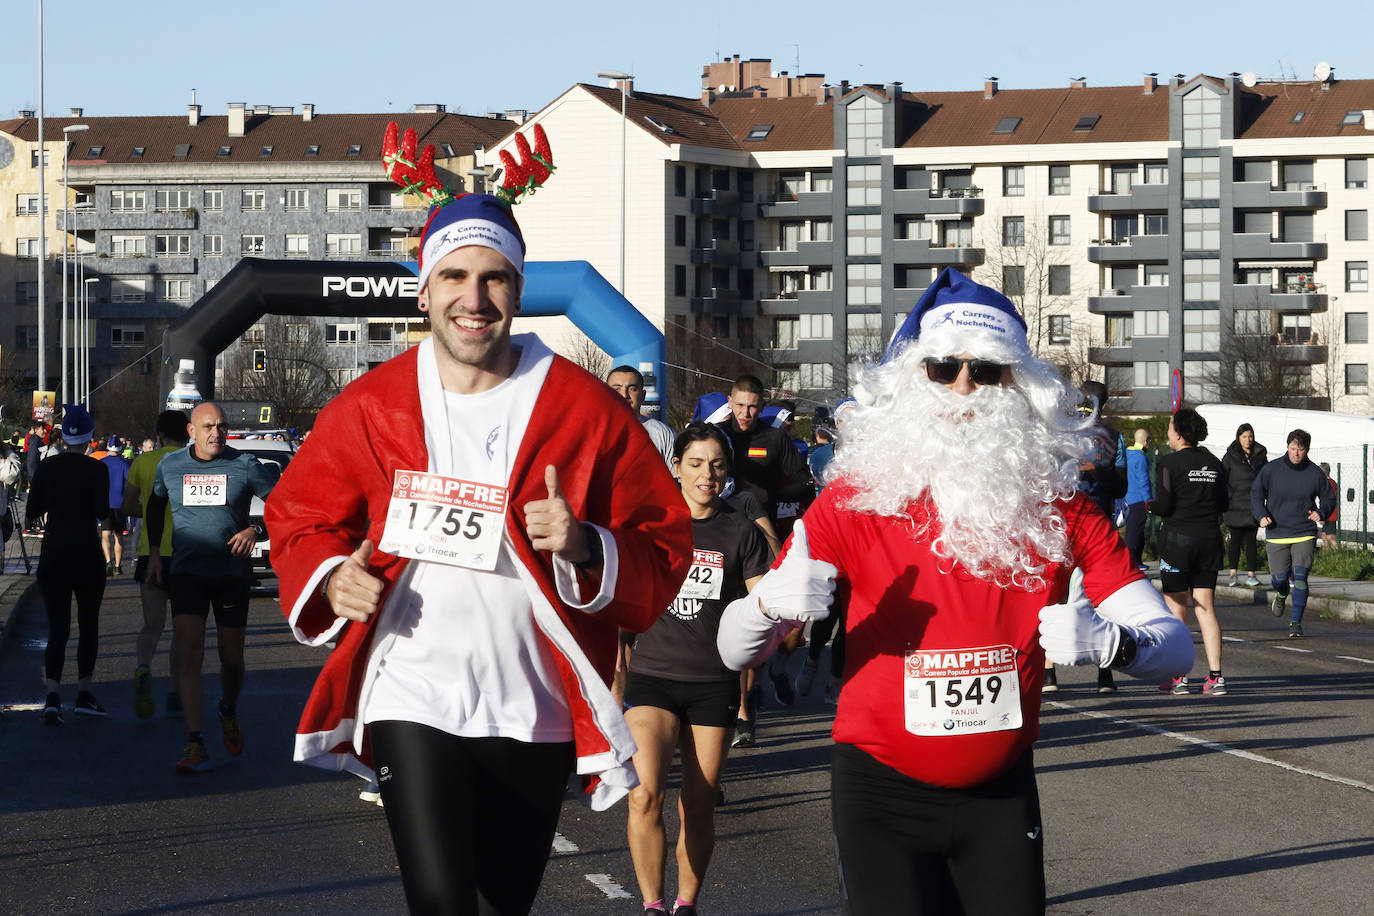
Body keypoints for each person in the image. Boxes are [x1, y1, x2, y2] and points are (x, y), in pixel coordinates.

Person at [264, 167, 693, 915]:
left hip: (533, 703)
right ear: (424, 289)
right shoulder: (371, 405)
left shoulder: (582, 408)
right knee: (440, 902)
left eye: (495, 279)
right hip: (412, 689)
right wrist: (334, 578)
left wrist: (587, 544)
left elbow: (664, 543)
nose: (475, 298)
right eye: (455, 276)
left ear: (519, 292)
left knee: (502, 906)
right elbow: (298, 515)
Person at [715, 267, 1192, 916]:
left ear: (1018, 386)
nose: (964, 387)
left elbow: (1175, 649)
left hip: (999, 795)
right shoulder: (856, 503)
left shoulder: (1063, 513)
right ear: (915, 379)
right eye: (943, 368)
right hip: (879, 796)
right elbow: (732, 650)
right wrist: (771, 605)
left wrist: (1115, 644)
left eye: (987, 371)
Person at [624, 423, 771, 916]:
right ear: (676, 468)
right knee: (645, 794)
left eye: (716, 465)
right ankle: (651, 905)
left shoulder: (740, 531)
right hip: (653, 676)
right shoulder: (650, 524)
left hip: (713, 683)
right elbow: (622, 597)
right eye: (695, 464)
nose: (706, 474)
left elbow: (762, 605)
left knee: (699, 804)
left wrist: (783, 614)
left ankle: (686, 904)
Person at [145, 402, 279, 772]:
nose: (215, 433)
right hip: (187, 573)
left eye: (221, 426)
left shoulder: (245, 465)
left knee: (231, 658)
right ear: (192, 431)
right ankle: (194, 741)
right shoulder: (170, 466)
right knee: (189, 654)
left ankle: (228, 709)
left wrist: (256, 530)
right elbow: (155, 506)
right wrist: (156, 552)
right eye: (207, 427)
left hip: (231, 575)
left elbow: (283, 504)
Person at [715, 376, 813, 743]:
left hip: (762, 535)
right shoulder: (718, 434)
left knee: (766, 623)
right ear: (730, 401)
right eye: (739, 405)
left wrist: (765, 491)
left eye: (753, 406)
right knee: (734, 620)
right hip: (722, 535)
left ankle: (777, 669)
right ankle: (741, 711)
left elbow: (803, 483)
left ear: (763, 404)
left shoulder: (774, 439)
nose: (745, 413)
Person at [26, 405, 110, 724]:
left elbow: (33, 509)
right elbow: (102, 510)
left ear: (62, 436)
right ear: (89, 438)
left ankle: (52, 696)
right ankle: (85, 693)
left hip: (54, 552)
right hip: (87, 552)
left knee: (57, 628)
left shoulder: (47, 468)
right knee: (89, 625)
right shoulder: (96, 469)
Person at [1044, 379, 1125, 696]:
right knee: (1102, 600)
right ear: (1103, 406)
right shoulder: (1114, 436)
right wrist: (1099, 472)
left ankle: (1049, 674)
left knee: (1055, 597)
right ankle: (1105, 674)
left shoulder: (1059, 432)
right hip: (1099, 527)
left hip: (1063, 525)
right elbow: (1121, 487)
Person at [1151, 409, 1230, 696]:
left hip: (1177, 542)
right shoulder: (1215, 463)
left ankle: (1178, 678)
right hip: (1209, 540)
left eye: (1170, 427)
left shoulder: (1169, 464)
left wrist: (1148, 506)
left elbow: (1164, 505)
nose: (1168, 433)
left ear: (1180, 433)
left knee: (1176, 610)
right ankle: (1216, 677)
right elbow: (1223, 502)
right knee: (1206, 608)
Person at [122, 410, 190, 720]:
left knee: (151, 624)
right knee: (181, 629)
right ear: (187, 433)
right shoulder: (193, 461)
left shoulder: (144, 462)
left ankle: (143, 667)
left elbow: (127, 506)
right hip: (186, 552)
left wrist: (150, 505)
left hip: (151, 553)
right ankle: (175, 692)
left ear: (159, 434)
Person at [1251, 429, 1335, 637]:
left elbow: (1329, 498)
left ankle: (1296, 623)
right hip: (1277, 530)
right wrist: (1261, 515)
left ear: (1307, 450)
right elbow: (1255, 493)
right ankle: (1281, 592)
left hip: (1304, 531)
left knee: (1300, 577)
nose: (1296, 453)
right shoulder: (1271, 469)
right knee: (1279, 579)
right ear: (1287, 447)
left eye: (1301, 449)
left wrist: (1320, 512)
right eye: (1292, 448)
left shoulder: (1315, 473)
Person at [1221, 423, 1267, 588]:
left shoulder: (1260, 455)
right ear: (1238, 438)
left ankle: (1251, 574)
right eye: (1244, 437)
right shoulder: (1230, 457)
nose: (1248, 440)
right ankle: (1233, 574)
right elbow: (1222, 479)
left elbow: (1265, 478)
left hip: (1253, 505)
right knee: (1235, 540)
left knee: (1251, 541)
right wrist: (1228, 497)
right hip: (1235, 506)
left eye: (1250, 436)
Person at [607, 364, 674, 466]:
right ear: (605, 393)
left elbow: (676, 478)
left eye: (632, 389)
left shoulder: (663, 434)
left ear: (642, 395)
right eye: (617, 389)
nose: (624, 395)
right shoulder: (592, 432)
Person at [99, 436, 132, 576]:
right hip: (120, 503)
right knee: (119, 535)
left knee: (105, 534)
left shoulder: (101, 463)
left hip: (105, 503)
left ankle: (108, 562)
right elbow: (130, 483)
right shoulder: (125, 463)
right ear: (120, 447)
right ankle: (118, 566)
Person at [1122, 428, 1152, 572]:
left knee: (1132, 531)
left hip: (1127, 498)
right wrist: (1149, 500)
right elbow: (1144, 481)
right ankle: (1134, 561)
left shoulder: (1127, 454)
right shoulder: (1140, 457)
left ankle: (1135, 560)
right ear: (1145, 442)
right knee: (1136, 532)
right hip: (1139, 499)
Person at [1319, 461, 1339, 548]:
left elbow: (1326, 500)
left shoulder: (1329, 483)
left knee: (1330, 536)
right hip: (1326, 512)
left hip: (1330, 513)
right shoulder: (1329, 482)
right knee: (1324, 536)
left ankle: (1336, 553)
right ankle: (1327, 555)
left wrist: (1322, 516)